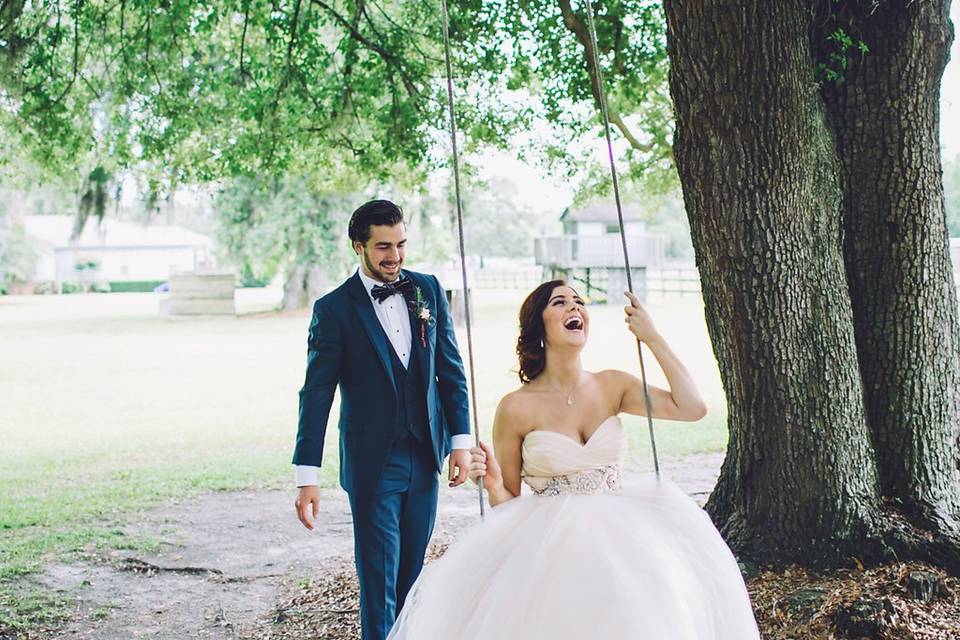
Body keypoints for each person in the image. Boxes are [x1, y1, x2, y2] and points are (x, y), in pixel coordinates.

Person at [387, 280, 762, 639]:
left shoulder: (613, 385)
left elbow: (692, 408)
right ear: (539, 327)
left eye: (579, 301)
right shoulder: (515, 407)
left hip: (626, 531)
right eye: (560, 302)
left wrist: (651, 337)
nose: (575, 307)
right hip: (550, 542)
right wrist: (491, 482)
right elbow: (510, 502)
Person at [292, 199, 473, 640]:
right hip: (374, 464)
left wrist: (461, 441)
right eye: (383, 247)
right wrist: (306, 475)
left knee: (412, 577)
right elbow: (316, 394)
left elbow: (450, 369)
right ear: (359, 247)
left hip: (425, 456)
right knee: (379, 581)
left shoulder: (427, 290)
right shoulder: (333, 309)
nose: (395, 256)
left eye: (400, 244)